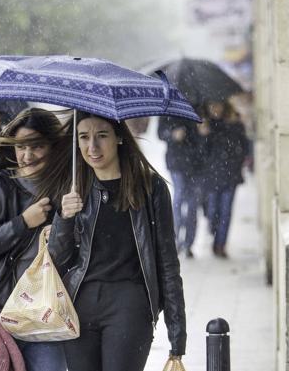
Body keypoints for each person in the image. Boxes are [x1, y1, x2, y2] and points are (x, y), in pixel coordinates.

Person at [45, 113, 186, 371]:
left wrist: (177, 332)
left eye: (102, 136)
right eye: (84, 137)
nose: (92, 147)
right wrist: (64, 218)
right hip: (80, 306)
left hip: (129, 305)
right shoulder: (74, 187)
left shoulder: (149, 187)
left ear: (119, 137)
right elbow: (56, 258)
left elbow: (167, 260)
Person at [0, 108, 68, 371]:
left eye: (37, 146)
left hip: (47, 316)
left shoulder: (68, 191)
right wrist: (22, 223)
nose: (28, 155)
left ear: (54, 147)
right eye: (21, 146)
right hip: (0, 310)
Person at [203, 101, 250, 258]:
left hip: (230, 175)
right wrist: (203, 134)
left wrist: (238, 163)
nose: (215, 109)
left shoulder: (235, 125)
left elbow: (244, 147)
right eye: (212, 106)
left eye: (218, 106)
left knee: (226, 211)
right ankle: (214, 233)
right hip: (212, 175)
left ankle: (220, 244)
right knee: (212, 211)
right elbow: (201, 152)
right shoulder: (207, 126)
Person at [158, 112, 207, 257]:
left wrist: (201, 132)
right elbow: (160, 133)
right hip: (177, 162)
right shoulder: (167, 109)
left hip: (196, 163)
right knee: (179, 198)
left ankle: (188, 243)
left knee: (192, 204)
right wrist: (173, 135)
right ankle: (174, 239)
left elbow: (204, 139)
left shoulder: (197, 109)